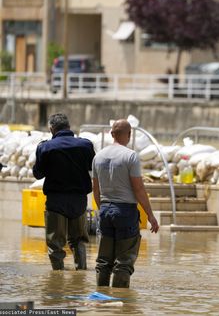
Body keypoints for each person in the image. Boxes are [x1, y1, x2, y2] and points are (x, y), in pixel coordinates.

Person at [92, 119, 159, 288]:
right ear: (129, 135)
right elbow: (138, 189)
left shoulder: (98, 156)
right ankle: (121, 304)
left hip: (105, 210)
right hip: (125, 212)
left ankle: (101, 300)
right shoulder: (130, 156)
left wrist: (103, 209)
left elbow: (95, 189)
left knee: (103, 261)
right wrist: (150, 215)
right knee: (123, 262)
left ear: (111, 134)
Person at [33, 113, 95, 271]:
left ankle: (57, 279)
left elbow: (38, 174)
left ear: (52, 129)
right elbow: (92, 167)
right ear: (68, 127)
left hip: (56, 201)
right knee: (78, 240)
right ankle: (80, 274)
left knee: (55, 243)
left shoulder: (45, 147)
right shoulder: (85, 145)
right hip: (79, 201)